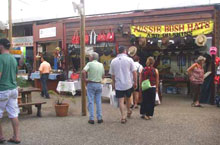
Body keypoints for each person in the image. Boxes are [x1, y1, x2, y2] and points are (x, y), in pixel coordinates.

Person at [0, 38, 21, 144]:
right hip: (13, 89)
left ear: (1, 46)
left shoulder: (0, 58)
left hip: (2, 90)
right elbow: (16, 74)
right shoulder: (13, 59)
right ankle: (16, 137)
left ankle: (1, 136)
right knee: (14, 114)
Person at [109, 46, 137, 124]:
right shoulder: (129, 60)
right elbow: (134, 72)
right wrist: (135, 82)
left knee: (121, 101)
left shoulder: (113, 61)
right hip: (128, 83)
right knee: (128, 98)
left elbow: (112, 75)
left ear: (118, 51)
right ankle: (128, 111)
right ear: (125, 51)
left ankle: (123, 117)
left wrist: (113, 84)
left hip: (119, 84)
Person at [82, 52, 105, 124]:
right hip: (98, 84)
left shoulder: (89, 64)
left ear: (92, 57)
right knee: (98, 101)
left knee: (91, 101)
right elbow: (103, 75)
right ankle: (99, 118)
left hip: (91, 83)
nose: (89, 57)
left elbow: (83, 71)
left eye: (89, 56)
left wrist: (85, 79)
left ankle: (91, 118)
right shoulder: (101, 65)